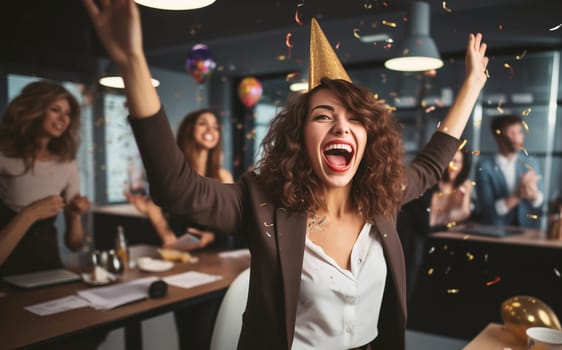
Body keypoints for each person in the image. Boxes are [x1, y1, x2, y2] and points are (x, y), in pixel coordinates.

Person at [82, 1, 489, 349]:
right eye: (323, 116)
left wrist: (471, 86)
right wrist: (132, 62)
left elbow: (433, 163)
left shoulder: (382, 195)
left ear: (369, 138)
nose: (341, 128)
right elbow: (177, 190)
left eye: (354, 120)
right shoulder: (261, 202)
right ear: (299, 137)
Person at [0, 80, 91, 276]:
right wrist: (31, 214)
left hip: (50, 273)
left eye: (67, 113)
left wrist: (75, 215)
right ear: (34, 109)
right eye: (55, 109)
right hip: (7, 277)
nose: (63, 118)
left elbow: (75, 245)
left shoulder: (67, 163)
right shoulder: (3, 156)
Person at [125, 109, 235, 251]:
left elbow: (230, 221)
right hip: (181, 253)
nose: (210, 130)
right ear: (189, 129)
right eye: (203, 123)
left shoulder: (223, 176)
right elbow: (154, 209)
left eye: (215, 127)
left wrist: (210, 236)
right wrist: (168, 238)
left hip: (215, 252)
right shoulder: (175, 173)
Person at [396, 147, 473, 299]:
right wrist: (449, 222)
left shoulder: (461, 187)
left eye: (456, 162)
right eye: (449, 161)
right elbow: (427, 224)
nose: (452, 166)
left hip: (434, 244)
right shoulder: (427, 185)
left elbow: (465, 215)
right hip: (411, 241)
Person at [475, 114, 543, 228]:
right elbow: (489, 211)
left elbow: (540, 203)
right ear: (499, 136)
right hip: (496, 232)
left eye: (520, 132)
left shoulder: (531, 163)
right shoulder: (485, 167)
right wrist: (519, 194)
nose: (518, 138)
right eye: (512, 133)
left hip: (529, 232)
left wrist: (533, 193)